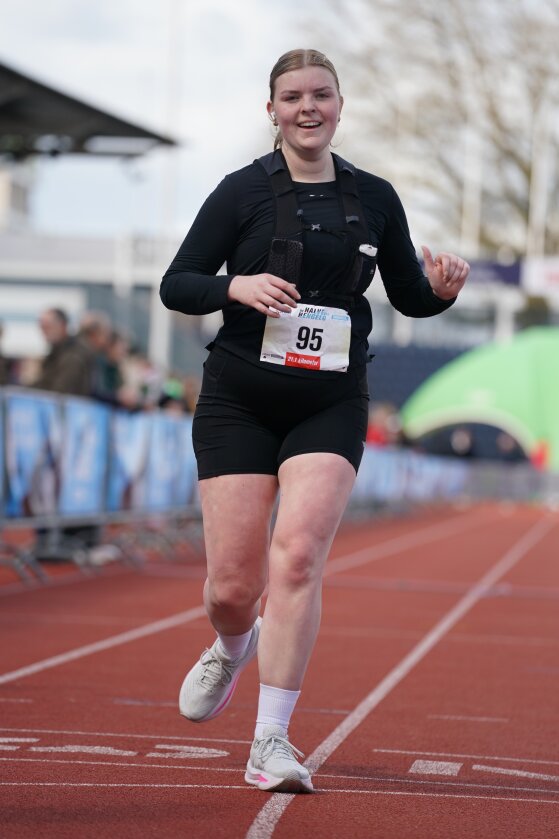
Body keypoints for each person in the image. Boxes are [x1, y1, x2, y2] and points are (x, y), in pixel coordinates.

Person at [160, 48, 470, 793]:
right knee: (231, 588)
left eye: (321, 95)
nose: (308, 108)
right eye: (293, 96)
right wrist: (236, 287)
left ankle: (270, 740)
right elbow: (178, 283)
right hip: (240, 400)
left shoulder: (375, 197)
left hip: (331, 398)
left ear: (339, 105)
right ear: (271, 109)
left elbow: (408, 295)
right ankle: (233, 643)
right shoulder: (240, 192)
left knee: (298, 557)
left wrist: (441, 291)